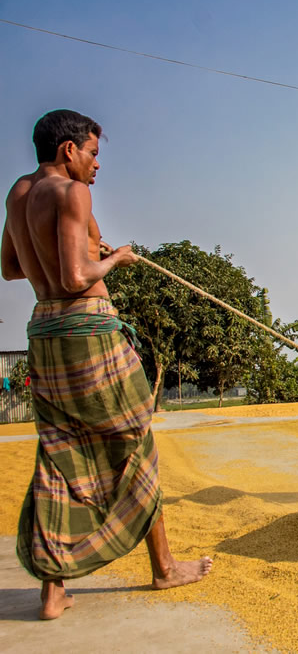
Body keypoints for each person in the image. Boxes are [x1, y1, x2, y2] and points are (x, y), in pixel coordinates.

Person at [2, 109, 212, 620]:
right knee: (135, 442)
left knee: (59, 455)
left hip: (45, 332)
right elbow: (77, 277)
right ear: (68, 150)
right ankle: (163, 567)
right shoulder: (73, 193)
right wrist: (114, 258)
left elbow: (10, 268)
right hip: (87, 331)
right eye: (93, 154)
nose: (97, 166)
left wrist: (75, 248)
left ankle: (52, 591)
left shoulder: (18, 192)